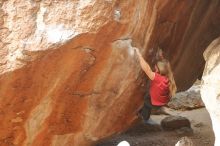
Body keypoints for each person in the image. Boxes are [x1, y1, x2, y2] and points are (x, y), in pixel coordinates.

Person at [134, 47, 177, 123]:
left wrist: (139, 55)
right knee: (150, 95)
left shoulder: (157, 78)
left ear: (158, 69)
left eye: (155, 67)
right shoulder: (169, 76)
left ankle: (144, 117)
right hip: (163, 102)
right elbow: (165, 64)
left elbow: (147, 69)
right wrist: (160, 54)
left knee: (145, 102)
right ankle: (150, 110)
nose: (154, 67)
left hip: (154, 103)